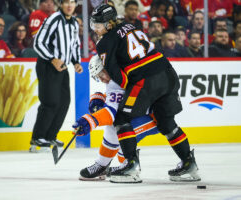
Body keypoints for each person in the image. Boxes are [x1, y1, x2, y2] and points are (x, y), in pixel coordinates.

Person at [76, 4, 200, 183]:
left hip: (145, 80)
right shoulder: (131, 26)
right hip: (167, 72)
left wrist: (129, 89)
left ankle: (130, 166)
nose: (95, 29)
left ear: (109, 23)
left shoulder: (104, 42)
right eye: (93, 24)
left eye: (98, 24)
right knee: (166, 121)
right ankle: (189, 163)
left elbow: (116, 75)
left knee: (121, 118)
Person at [77, 55, 159, 182]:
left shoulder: (119, 78)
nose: (102, 79)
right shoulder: (118, 74)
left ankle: (130, 169)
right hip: (146, 112)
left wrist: (90, 121)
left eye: (101, 74)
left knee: (123, 133)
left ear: (107, 68)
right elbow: (121, 99)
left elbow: (112, 111)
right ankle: (104, 165)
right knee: (117, 126)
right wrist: (102, 98)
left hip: (157, 116)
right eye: (98, 77)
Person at [31, 0, 83, 152]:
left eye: (72, 2)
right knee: (50, 102)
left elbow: (74, 45)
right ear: (61, 4)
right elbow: (38, 42)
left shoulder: (74, 22)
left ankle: (50, 136)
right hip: (48, 65)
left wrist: (76, 62)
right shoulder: (53, 19)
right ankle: (37, 138)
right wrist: (52, 59)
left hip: (63, 66)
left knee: (64, 102)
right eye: (66, 2)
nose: (69, 5)